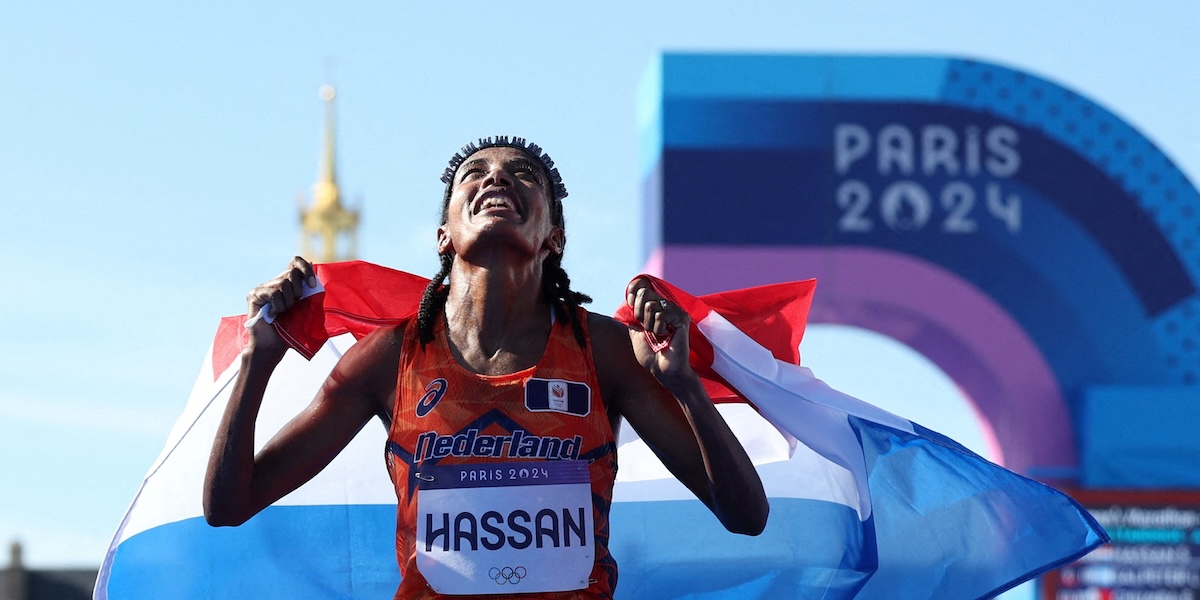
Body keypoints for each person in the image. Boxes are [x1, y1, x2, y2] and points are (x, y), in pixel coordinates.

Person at [203, 136, 768, 599]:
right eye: (475, 172)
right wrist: (258, 362)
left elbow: (746, 515)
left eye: (522, 174)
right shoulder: (388, 357)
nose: (496, 178)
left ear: (555, 237)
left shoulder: (607, 350)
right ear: (443, 235)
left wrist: (686, 388)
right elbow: (228, 506)